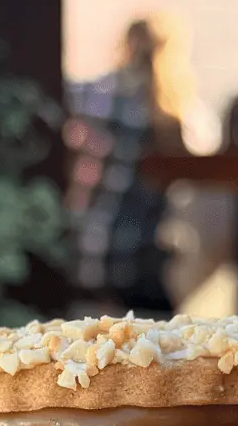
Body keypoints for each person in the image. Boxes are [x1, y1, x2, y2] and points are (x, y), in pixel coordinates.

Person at [65, 16, 191, 313]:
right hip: (136, 266)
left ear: (128, 44)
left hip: (82, 256)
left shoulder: (91, 95)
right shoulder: (174, 116)